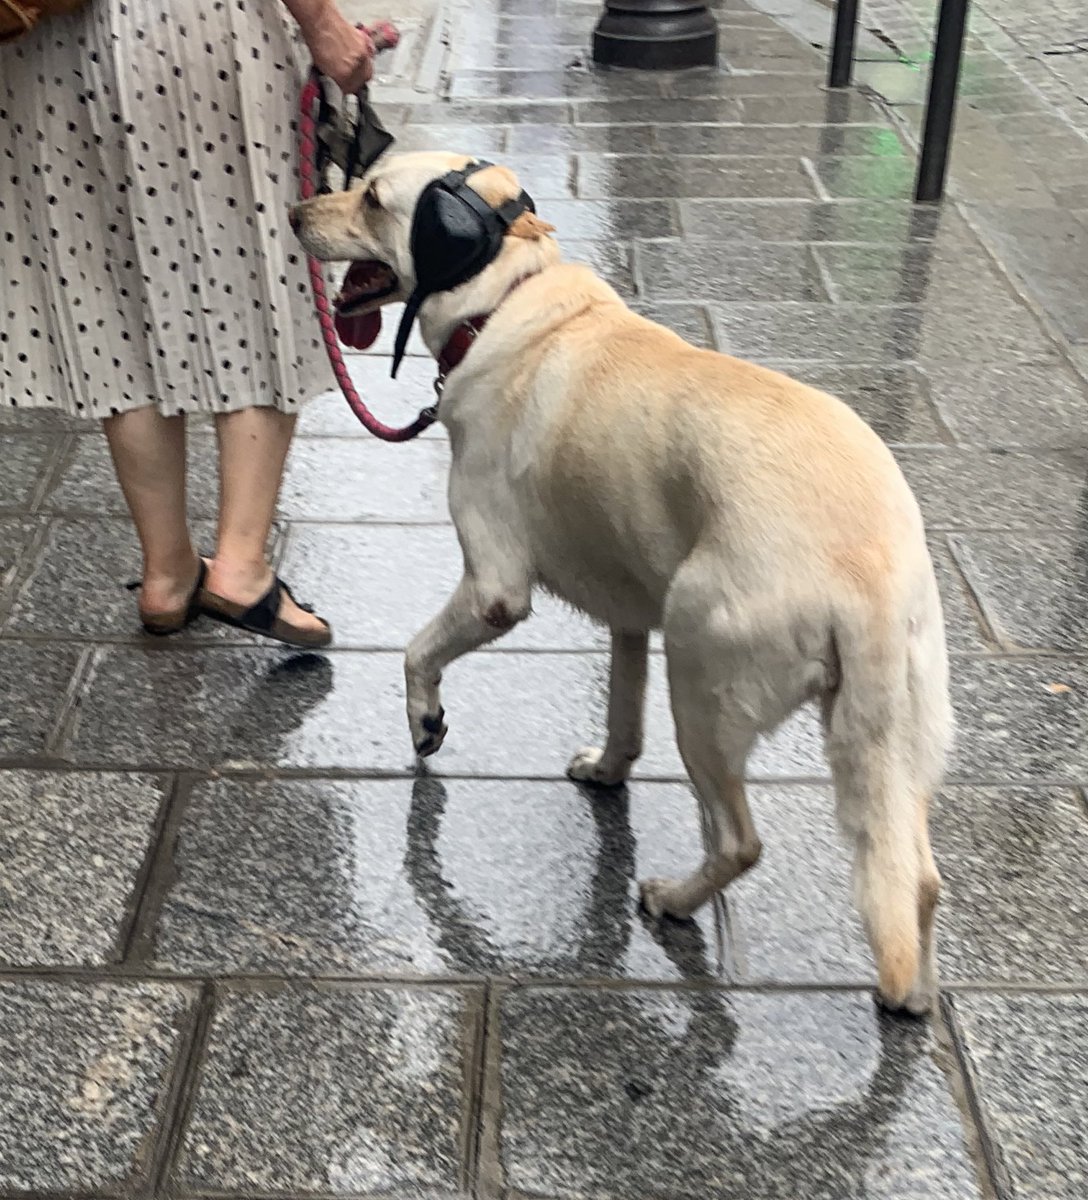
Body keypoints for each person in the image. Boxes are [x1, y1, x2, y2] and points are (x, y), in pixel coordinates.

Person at [0, 0, 376, 647]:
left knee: (111, 307)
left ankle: (168, 572)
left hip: (43, 48)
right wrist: (319, 20)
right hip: (202, 32)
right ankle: (240, 567)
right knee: (255, 284)